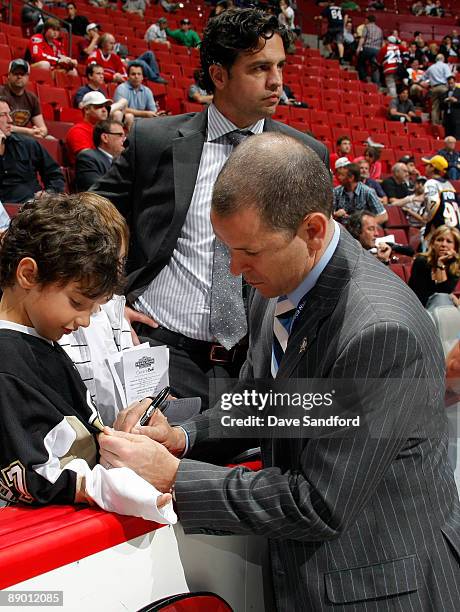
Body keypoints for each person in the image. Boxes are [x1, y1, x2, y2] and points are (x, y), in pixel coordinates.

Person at [99, 132, 460, 611]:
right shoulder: (276, 285)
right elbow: (275, 407)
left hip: (383, 589)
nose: (233, 269)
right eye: (227, 249)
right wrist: (182, 438)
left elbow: (318, 502)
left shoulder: (380, 330)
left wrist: (174, 476)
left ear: (312, 230)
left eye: (248, 252)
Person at [92, 8, 328, 410]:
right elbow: (91, 219)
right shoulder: (155, 140)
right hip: (160, 346)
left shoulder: (305, 155)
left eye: (280, 67)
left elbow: (316, 255)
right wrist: (107, 305)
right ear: (219, 75)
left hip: (255, 364)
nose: (277, 82)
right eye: (259, 68)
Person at [0, 192, 174, 523]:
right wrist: (115, 486)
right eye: (78, 303)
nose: (83, 321)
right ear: (28, 274)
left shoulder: (41, 339)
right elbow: (35, 474)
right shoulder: (7, 366)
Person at [0, 97, 63, 203]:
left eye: (9, 114)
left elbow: (54, 174)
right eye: (2, 115)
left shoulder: (27, 144)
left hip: (30, 210)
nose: (10, 120)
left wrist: (49, 194)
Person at [408, 224, 460, 306]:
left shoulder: (455, 266)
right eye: (439, 240)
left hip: (441, 308)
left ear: (455, 248)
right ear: (432, 243)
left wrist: (440, 264)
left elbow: (444, 293)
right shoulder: (421, 261)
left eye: (449, 241)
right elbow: (419, 294)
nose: (443, 244)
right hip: (419, 307)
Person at [0, 59, 48, 139]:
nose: (19, 76)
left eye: (22, 74)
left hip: (23, 139)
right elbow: (4, 127)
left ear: (28, 77)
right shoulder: (1, 92)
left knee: (50, 139)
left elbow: (43, 128)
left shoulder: (32, 98)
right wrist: (28, 131)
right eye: (16, 73)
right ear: (9, 75)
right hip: (5, 136)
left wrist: (40, 132)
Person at [75, 119, 125, 191]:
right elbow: (96, 190)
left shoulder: (122, 160)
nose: (124, 139)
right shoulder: (87, 157)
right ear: (105, 138)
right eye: (120, 135)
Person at [66, 91, 111, 164]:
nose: (104, 110)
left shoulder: (106, 130)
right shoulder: (78, 131)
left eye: (105, 106)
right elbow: (88, 159)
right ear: (86, 110)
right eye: (99, 106)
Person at [113, 63, 162, 130]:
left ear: (142, 77)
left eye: (139, 74)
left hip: (141, 123)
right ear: (128, 76)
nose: (136, 76)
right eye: (133, 74)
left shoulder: (147, 91)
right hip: (124, 121)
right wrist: (144, 114)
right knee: (129, 116)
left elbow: (153, 110)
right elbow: (121, 109)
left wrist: (157, 114)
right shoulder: (121, 88)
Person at [422, 155, 459, 239]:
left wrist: (429, 222)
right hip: (454, 230)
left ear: (432, 167)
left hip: (440, 229)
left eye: (427, 165)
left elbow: (433, 203)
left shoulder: (431, 183)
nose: (425, 167)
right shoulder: (450, 185)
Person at [422, 54, 453, 125]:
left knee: (435, 107)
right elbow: (449, 77)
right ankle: (443, 123)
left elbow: (423, 78)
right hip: (443, 88)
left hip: (434, 88)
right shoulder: (445, 66)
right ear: (443, 59)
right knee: (444, 106)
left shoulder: (431, 67)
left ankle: (434, 125)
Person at [356, 14, 383, 83]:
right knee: (374, 66)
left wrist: (358, 48)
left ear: (368, 20)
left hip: (367, 48)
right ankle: (376, 83)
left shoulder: (366, 27)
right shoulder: (379, 29)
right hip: (377, 50)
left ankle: (364, 78)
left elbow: (363, 38)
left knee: (360, 62)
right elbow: (381, 42)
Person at [442, 75, 460, 139]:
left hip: (456, 117)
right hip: (447, 117)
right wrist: (444, 101)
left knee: (456, 136)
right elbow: (441, 106)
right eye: (449, 83)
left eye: (452, 83)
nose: (450, 85)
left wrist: (456, 101)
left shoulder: (459, 91)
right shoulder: (445, 93)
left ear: (455, 82)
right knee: (448, 136)